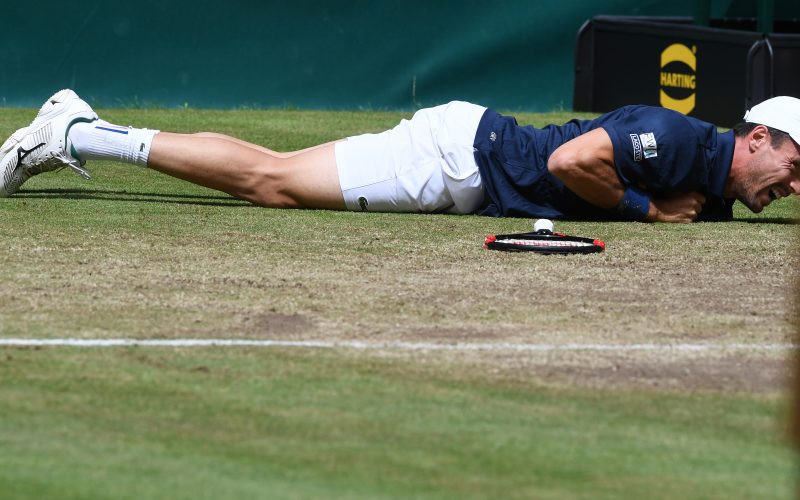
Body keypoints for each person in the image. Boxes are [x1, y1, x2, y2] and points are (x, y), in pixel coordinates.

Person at [1, 89, 799, 222]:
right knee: (270, 183)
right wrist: (645, 211)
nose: (792, 187)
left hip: (466, 153)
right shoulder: (690, 140)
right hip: (459, 161)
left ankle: (84, 129)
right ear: (755, 136)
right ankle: (76, 134)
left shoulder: (718, 176)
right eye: (794, 166)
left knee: (270, 170)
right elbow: (571, 165)